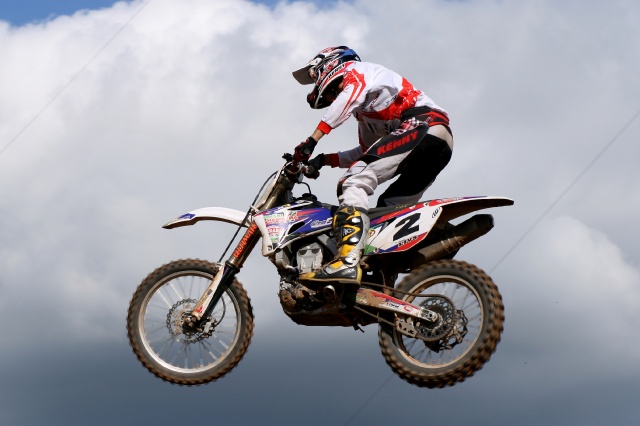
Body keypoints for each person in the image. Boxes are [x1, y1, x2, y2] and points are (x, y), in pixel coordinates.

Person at [292, 46, 453, 284]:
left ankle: (347, 260)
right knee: (389, 211)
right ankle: (384, 279)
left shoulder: (357, 71)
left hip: (422, 125)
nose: (332, 97)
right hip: (437, 140)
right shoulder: (365, 112)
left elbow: (348, 98)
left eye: (317, 77)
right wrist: (324, 160)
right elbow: (368, 152)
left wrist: (312, 140)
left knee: (353, 180)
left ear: (329, 64)